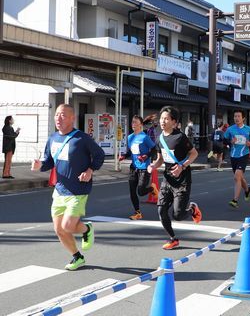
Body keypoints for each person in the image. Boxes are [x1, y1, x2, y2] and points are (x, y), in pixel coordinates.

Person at [31, 104, 105, 270]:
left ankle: (87, 229)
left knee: (68, 226)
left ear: (72, 118)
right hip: (59, 190)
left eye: (63, 115)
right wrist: (39, 165)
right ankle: (77, 257)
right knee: (59, 229)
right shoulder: (52, 139)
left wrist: (90, 170)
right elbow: (49, 162)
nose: (58, 118)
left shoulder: (81, 138)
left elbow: (99, 155)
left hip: (78, 189)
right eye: (57, 114)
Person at [148, 106, 202, 250]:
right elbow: (160, 160)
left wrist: (182, 167)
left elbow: (194, 154)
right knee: (161, 210)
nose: (162, 121)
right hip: (167, 180)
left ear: (174, 122)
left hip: (182, 180)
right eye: (161, 118)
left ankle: (192, 209)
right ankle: (173, 239)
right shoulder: (160, 138)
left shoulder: (180, 137)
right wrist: (153, 165)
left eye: (166, 118)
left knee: (177, 215)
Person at [119, 115, 158, 220]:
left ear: (140, 124)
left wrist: (146, 156)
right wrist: (124, 156)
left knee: (140, 191)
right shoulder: (130, 137)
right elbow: (131, 151)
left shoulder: (145, 137)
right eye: (132, 122)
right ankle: (138, 213)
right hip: (133, 167)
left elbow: (154, 149)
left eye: (135, 122)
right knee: (132, 192)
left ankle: (151, 188)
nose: (133, 124)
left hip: (144, 167)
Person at [223, 109, 250, 208]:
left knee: (237, 177)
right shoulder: (230, 129)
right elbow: (224, 140)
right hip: (233, 156)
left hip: (244, 155)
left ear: (243, 118)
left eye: (238, 116)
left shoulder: (249, 129)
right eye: (235, 116)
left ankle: (235, 200)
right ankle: (247, 190)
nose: (236, 118)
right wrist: (230, 142)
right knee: (240, 178)